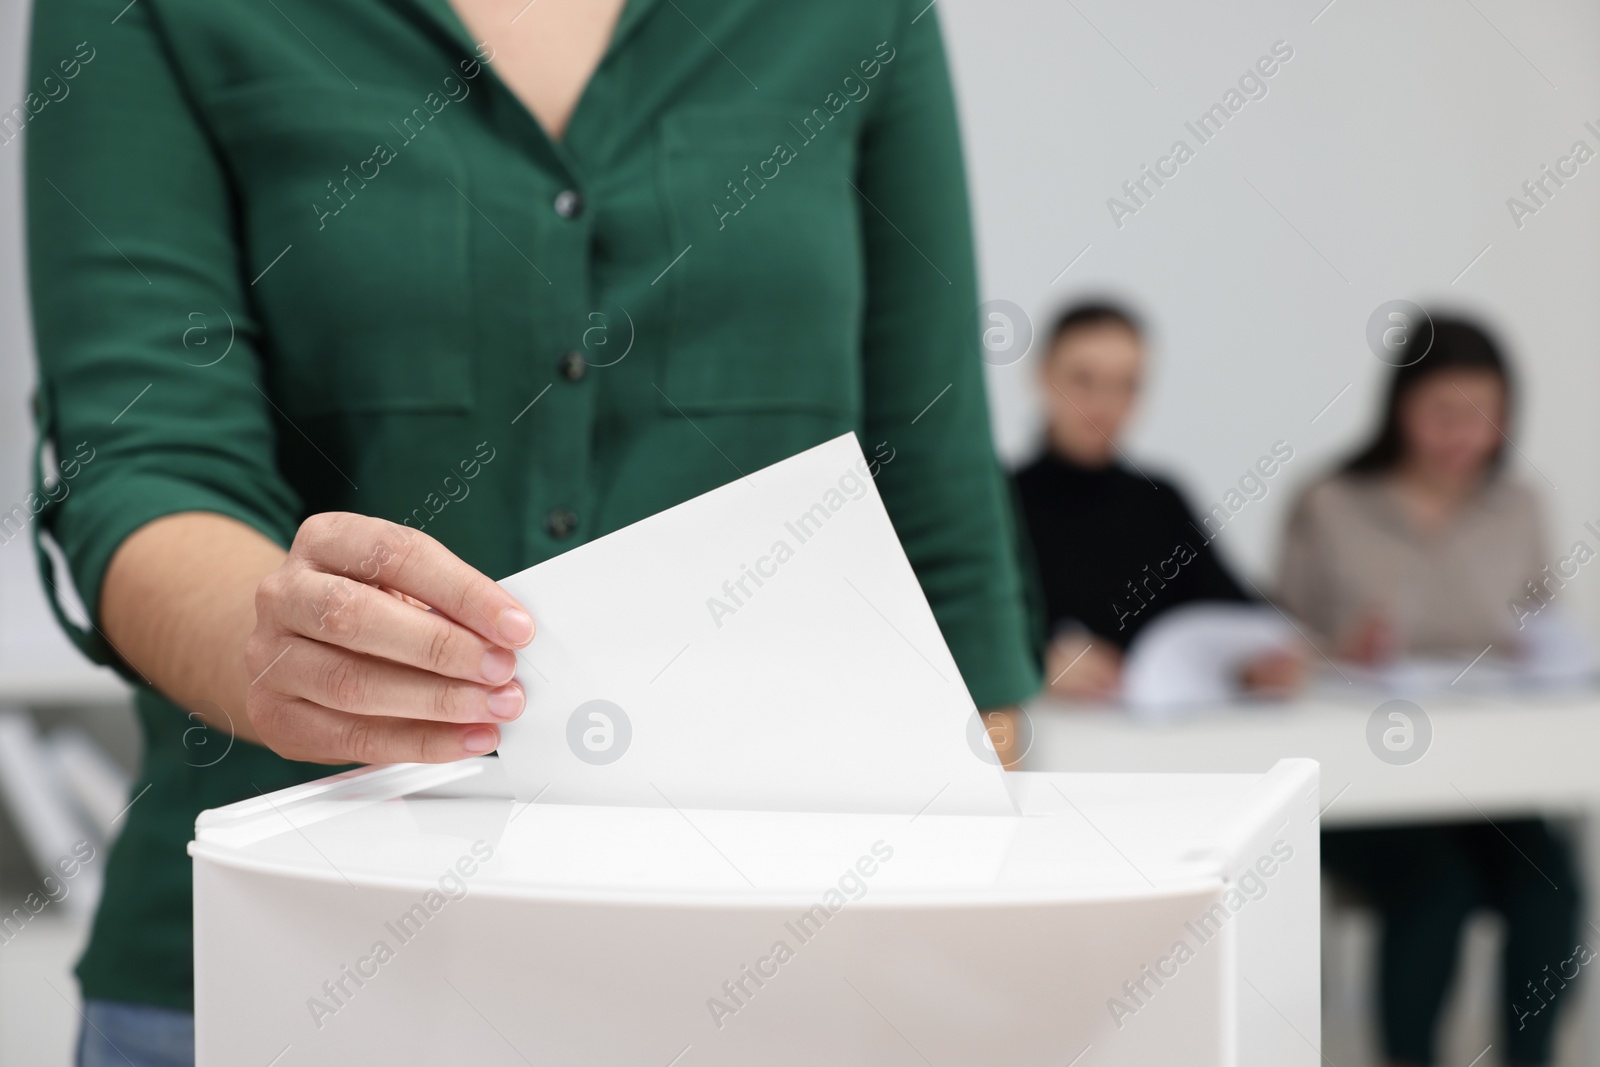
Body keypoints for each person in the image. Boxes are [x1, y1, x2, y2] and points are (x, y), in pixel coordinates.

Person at [25, 2, 1038, 1063]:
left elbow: (937, 500)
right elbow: (143, 458)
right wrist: (279, 639)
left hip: (770, 976)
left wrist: (997, 931)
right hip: (278, 973)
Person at [1277, 315, 1579, 1066]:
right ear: (1401, 406)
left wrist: (1542, 653)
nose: (1464, 435)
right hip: (1366, 785)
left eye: (1485, 415)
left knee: (1553, 885)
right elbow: (1267, 649)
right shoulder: (1330, 502)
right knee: (1435, 892)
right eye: (1445, 412)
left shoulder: (1520, 505)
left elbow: (1547, 627)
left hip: (1488, 779)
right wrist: (1331, 652)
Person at [1013, 302, 1302, 699]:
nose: (1103, 403)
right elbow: (956, 629)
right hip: (1043, 739)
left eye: (1126, 384)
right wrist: (1033, 662)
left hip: (1162, 744)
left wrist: (1257, 664)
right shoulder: (997, 502)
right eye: (1083, 379)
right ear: (1044, 377)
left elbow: (1237, 614)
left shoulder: (1160, 500)